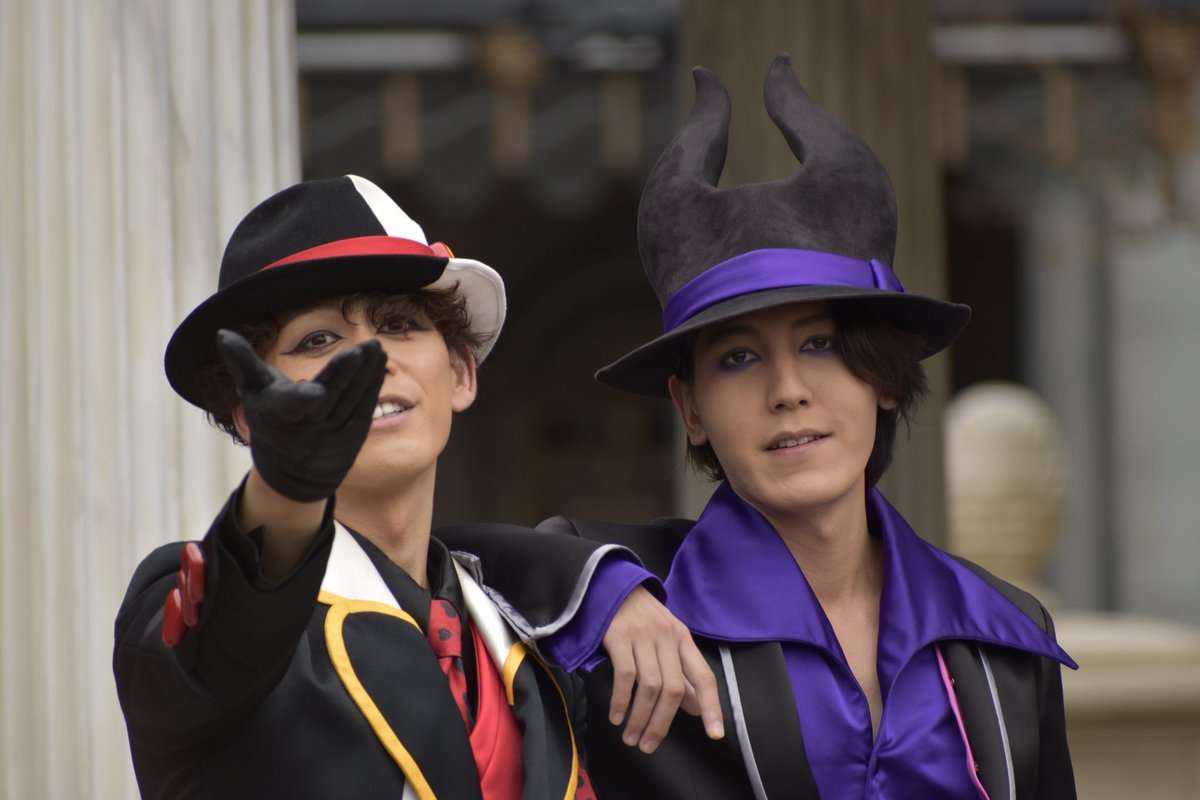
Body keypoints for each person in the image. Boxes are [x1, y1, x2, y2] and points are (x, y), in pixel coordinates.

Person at [449, 55, 1078, 799]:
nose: (787, 393)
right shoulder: (625, 606)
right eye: (739, 358)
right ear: (690, 409)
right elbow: (425, 561)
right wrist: (597, 589)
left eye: (822, 344)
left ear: (883, 376)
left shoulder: (1004, 633)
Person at [112, 175, 720, 799]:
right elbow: (221, 641)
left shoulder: (529, 640)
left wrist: (598, 584)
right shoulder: (182, 602)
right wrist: (288, 489)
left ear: (460, 373)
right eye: (317, 340)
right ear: (248, 412)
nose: (371, 359)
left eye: (399, 324)